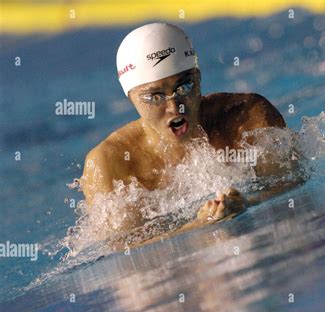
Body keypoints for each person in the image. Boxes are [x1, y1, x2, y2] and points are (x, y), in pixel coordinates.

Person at [81, 23, 300, 234]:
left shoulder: (246, 116)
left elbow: (294, 182)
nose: (175, 106)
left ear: (199, 76)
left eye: (184, 86)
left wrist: (249, 202)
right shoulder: (109, 163)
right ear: (130, 98)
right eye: (155, 97)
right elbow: (121, 252)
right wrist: (197, 226)